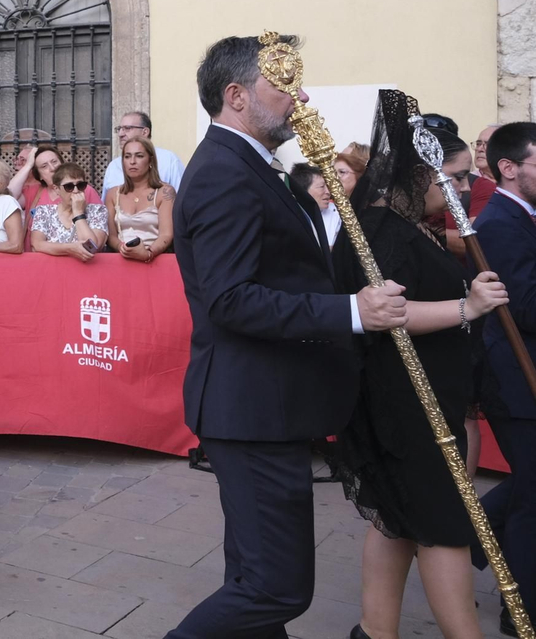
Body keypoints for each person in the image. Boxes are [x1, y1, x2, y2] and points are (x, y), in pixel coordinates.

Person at [166, 34, 408, 639]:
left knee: (253, 576)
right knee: (276, 587)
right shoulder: (225, 171)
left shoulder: (255, 166)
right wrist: (349, 312)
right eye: (284, 84)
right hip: (252, 406)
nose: (299, 97)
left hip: (269, 402)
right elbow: (229, 299)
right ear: (237, 95)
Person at [331, 97, 506, 639]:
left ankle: (374, 629)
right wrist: (466, 308)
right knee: (444, 522)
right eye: (453, 178)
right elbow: (389, 312)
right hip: (407, 402)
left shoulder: (409, 223)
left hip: (427, 392)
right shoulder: (380, 230)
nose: (460, 189)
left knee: (400, 519)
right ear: (420, 172)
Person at [474, 121, 536, 636]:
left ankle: (476, 534)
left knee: (530, 485)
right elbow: (526, 307)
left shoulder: (524, 215)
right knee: (533, 499)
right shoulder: (499, 222)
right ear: (510, 169)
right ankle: (521, 613)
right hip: (517, 379)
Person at [8, 145, 100, 250]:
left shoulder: (83, 190)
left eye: (54, 162)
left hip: (76, 259)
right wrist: (28, 165)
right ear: (40, 176)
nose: (52, 168)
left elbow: (96, 240)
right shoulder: (34, 192)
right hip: (38, 261)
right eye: (44, 166)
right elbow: (10, 196)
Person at [106, 136, 174, 262]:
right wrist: (121, 247)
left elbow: (167, 234)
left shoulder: (164, 192)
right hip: (121, 260)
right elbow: (111, 235)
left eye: (139, 156)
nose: (132, 161)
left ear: (150, 160)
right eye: (127, 156)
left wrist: (148, 253)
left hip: (154, 260)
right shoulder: (112, 194)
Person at [30, 163, 108, 262]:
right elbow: (37, 244)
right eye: (69, 186)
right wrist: (69, 248)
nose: (76, 191)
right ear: (57, 189)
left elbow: (92, 247)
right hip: (53, 270)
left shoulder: (98, 211)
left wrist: (78, 213)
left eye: (80, 185)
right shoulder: (44, 211)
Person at [99, 111, 186, 196]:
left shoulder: (169, 160)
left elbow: (181, 199)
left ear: (145, 132)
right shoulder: (113, 166)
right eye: (119, 129)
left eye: (127, 128)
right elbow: (106, 206)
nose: (121, 134)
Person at [289, 163, 341, 248]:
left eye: (327, 186)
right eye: (321, 187)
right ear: (302, 191)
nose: (328, 192)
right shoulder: (289, 214)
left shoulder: (339, 213)